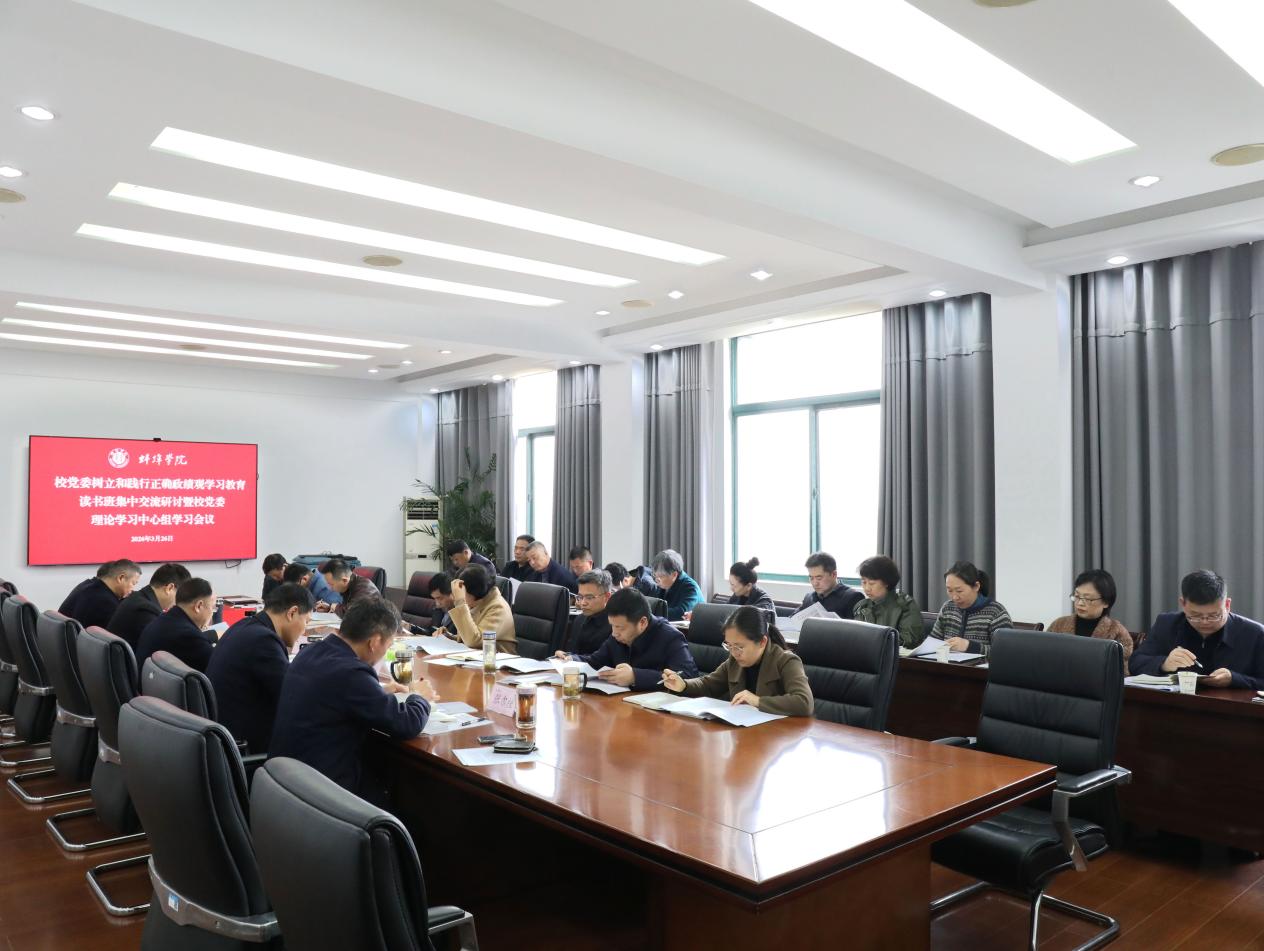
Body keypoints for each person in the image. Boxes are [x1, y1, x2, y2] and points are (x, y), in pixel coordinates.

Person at [269, 599, 435, 804]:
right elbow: (406, 724)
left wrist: (379, 691)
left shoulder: (312, 651)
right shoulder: (351, 672)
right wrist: (420, 697)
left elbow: (337, 693)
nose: (386, 651)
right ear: (375, 642)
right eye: (389, 644)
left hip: (285, 783)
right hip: (321, 795)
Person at [207, 582, 314, 755]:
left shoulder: (245, 626)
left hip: (225, 736)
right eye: (306, 622)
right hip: (243, 747)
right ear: (292, 613)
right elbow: (293, 698)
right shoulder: (264, 641)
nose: (304, 630)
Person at [662, 606, 813, 716]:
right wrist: (683, 685)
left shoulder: (786, 661)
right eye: (729, 646)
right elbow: (708, 684)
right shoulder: (734, 661)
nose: (734, 653)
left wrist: (757, 701)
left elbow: (804, 702)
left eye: (739, 647)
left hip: (779, 736)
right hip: (745, 731)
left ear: (762, 641)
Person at [1129, 570, 1264, 689]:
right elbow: (1135, 663)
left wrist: (1234, 679)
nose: (1205, 622)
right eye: (1195, 615)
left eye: (1214, 615)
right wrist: (1164, 663)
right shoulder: (1166, 623)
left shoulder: (1255, 634)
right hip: (1175, 703)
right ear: (1183, 604)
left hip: (1231, 707)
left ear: (1227, 605)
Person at [555, 588, 697, 690]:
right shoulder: (616, 637)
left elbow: (688, 677)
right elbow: (595, 661)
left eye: (620, 628)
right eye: (612, 626)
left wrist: (635, 676)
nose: (614, 633)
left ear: (642, 622)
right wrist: (570, 659)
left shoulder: (670, 637)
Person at [1047, 569, 1133, 663]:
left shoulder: (1117, 631)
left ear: (1106, 602)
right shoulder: (1058, 625)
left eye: (1088, 599)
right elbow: (1044, 656)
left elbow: (1120, 669)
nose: (1080, 603)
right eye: (1077, 596)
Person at [135, 577, 218, 672]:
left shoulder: (165, 619)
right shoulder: (188, 636)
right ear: (198, 606)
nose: (212, 613)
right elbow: (219, 666)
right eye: (212, 607)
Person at [930, 561, 1012, 654]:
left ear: (976, 586)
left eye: (959, 591)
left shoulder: (996, 612)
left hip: (980, 664)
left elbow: (1005, 653)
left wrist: (970, 646)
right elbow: (933, 642)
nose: (954, 597)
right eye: (950, 590)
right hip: (947, 663)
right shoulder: (948, 608)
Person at [106, 562, 191, 650]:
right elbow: (164, 647)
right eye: (180, 596)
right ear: (169, 588)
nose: (178, 603)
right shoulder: (147, 610)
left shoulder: (137, 598)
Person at [851, 556, 925, 649]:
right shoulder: (862, 606)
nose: (867, 588)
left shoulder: (905, 606)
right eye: (864, 582)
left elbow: (910, 641)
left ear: (886, 583)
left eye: (871, 583)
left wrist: (874, 640)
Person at [448, 565, 516, 654]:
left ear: (474, 591)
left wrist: (460, 602)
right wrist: (449, 637)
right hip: (476, 657)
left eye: (460, 592)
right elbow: (469, 637)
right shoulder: (475, 602)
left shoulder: (498, 607)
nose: (454, 597)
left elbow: (474, 641)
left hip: (497, 659)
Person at [59, 559, 142, 631]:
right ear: (121, 578)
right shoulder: (106, 602)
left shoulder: (87, 585)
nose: (132, 589)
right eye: (133, 583)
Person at [799, 552, 863, 620]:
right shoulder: (808, 598)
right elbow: (794, 620)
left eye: (819, 578)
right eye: (811, 578)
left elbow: (856, 626)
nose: (815, 583)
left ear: (834, 574)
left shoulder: (853, 597)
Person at [567, 569, 614, 655]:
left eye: (589, 597)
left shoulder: (615, 625)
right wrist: (565, 655)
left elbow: (604, 659)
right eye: (580, 597)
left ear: (607, 597)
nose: (583, 603)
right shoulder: (579, 619)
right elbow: (573, 651)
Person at [650, 549, 702, 621]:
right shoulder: (664, 585)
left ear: (674, 574)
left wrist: (651, 612)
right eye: (655, 575)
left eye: (661, 576)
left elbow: (681, 613)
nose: (657, 580)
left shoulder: (691, 587)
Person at [726, 557, 776, 624]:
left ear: (748, 586)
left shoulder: (764, 602)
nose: (731, 588)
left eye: (733, 585)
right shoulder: (737, 595)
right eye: (730, 584)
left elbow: (755, 624)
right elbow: (725, 612)